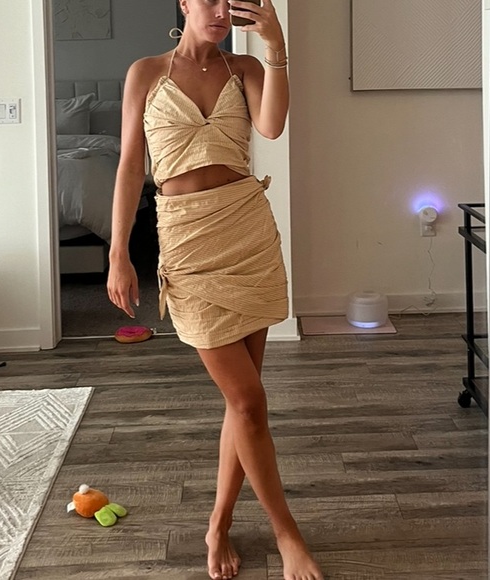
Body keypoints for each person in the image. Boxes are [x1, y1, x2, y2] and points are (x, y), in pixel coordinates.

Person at [106, 1, 324, 579]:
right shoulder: (146, 73)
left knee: (242, 403)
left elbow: (271, 126)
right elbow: (130, 166)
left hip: (247, 236)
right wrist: (118, 252)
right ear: (184, 1)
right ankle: (286, 533)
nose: (222, 9)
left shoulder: (244, 69)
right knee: (248, 401)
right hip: (188, 245)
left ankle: (219, 524)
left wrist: (275, 44)